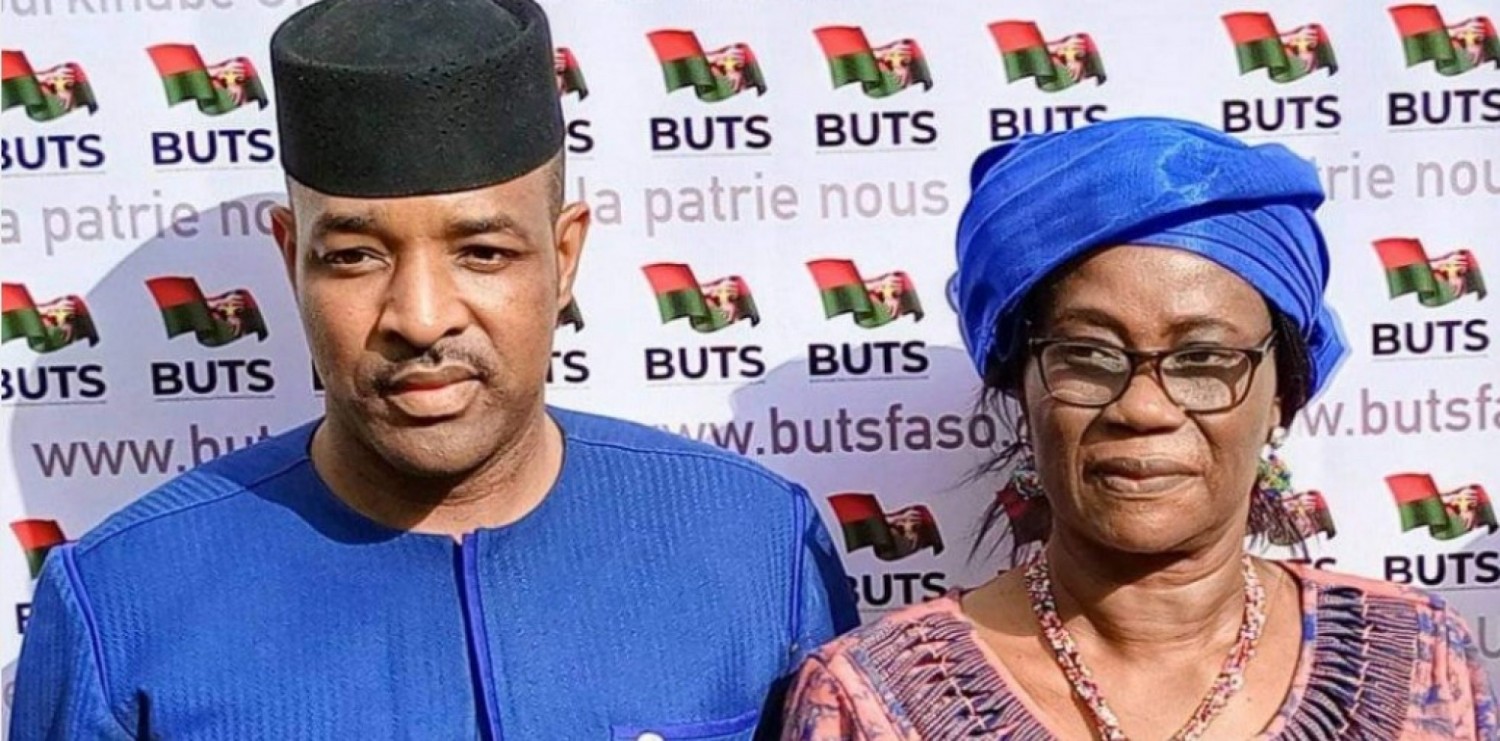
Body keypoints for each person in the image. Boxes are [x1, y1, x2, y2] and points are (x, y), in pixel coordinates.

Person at [10, 0, 856, 737]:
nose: (419, 317)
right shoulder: (121, 602)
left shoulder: (754, 545)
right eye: (354, 256)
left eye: (483, 252)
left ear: (564, 256)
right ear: (290, 258)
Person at [783, 118, 1498, 739]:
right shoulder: (873, 701)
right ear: (1020, 387)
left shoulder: (1419, 660)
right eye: (1088, 355)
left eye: (1204, 358)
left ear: (1281, 394)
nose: (1143, 408)